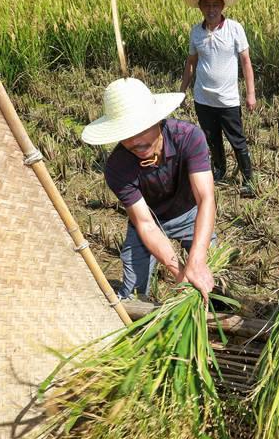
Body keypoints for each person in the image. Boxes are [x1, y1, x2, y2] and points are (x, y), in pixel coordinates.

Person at [81, 78, 216, 302]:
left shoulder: (189, 137)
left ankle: (214, 305)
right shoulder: (117, 167)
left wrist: (197, 259)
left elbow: (206, 198)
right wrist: (180, 273)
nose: (134, 140)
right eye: (125, 133)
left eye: (140, 128)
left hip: (190, 213)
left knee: (208, 271)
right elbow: (146, 224)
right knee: (133, 291)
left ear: (158, 120)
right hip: (150, 221)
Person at [180, 0, 258, 198]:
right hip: (203, 98)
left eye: (215, 5)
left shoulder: (234, 28)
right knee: (211, 139)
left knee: (237, 140)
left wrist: (251, 93)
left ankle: (249, 180)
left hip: (228, 100)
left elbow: (246, 62)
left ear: (222, 6)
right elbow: (191, 62)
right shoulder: (196, 31)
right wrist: (182, 90)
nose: (211, 9)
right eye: (206, 5)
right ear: (200, 8)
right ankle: (220, 170)